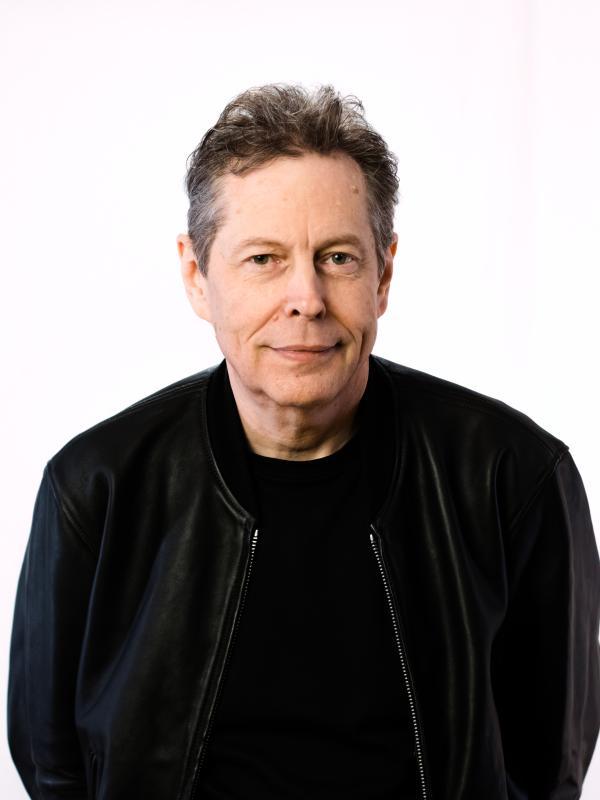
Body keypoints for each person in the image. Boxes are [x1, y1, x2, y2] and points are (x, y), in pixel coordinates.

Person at [7, 84, 600, 800]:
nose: (307, 299)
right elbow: (52, 766)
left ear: (384, 273)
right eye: (263, 259)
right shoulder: (95, 486)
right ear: (198, 278)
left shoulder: (515, 476)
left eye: (339, 258)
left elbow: (550, 767)